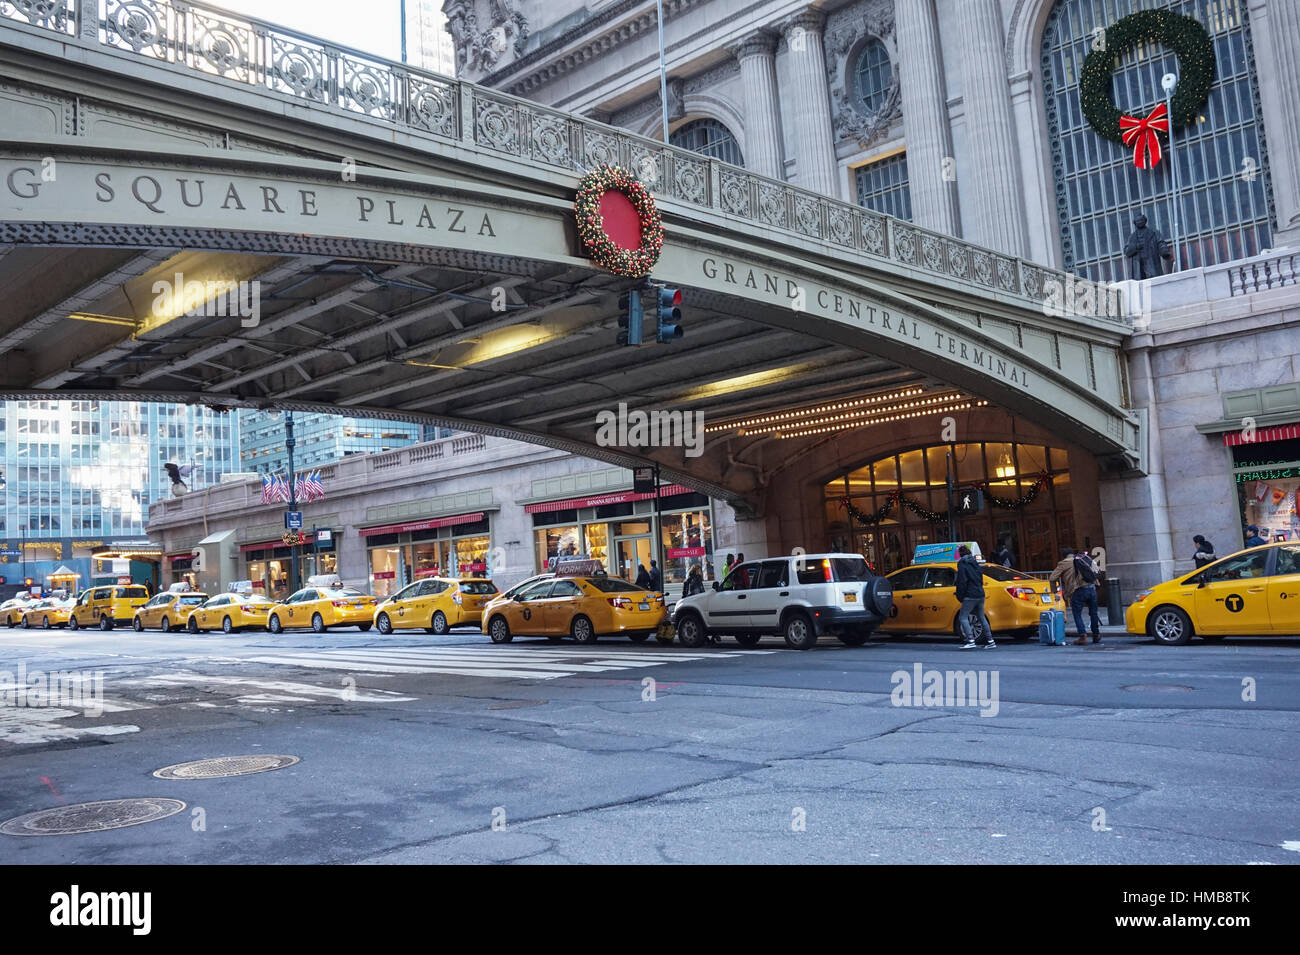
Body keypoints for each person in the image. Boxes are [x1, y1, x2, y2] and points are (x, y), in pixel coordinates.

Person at [954, 545, 995, 649]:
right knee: (981, 617)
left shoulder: (962, 564)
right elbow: (980, 578)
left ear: (960, 554)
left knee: (963, 617)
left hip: (970, 594)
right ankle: (991, 641)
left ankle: (970, 640)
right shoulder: (975, 562)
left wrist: (960, 595)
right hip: (980, 593)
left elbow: (962, 581)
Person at [1066, 549, 1102, 644]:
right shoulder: (1090, 560)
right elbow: (1097, 573)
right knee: (1093, 613)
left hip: (1081, 590)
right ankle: (1096, 634)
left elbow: (1072, 577)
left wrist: (1069, 590)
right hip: (1092, 589)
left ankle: (1083, 636)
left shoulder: (1075, 561)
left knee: (1077, 613)